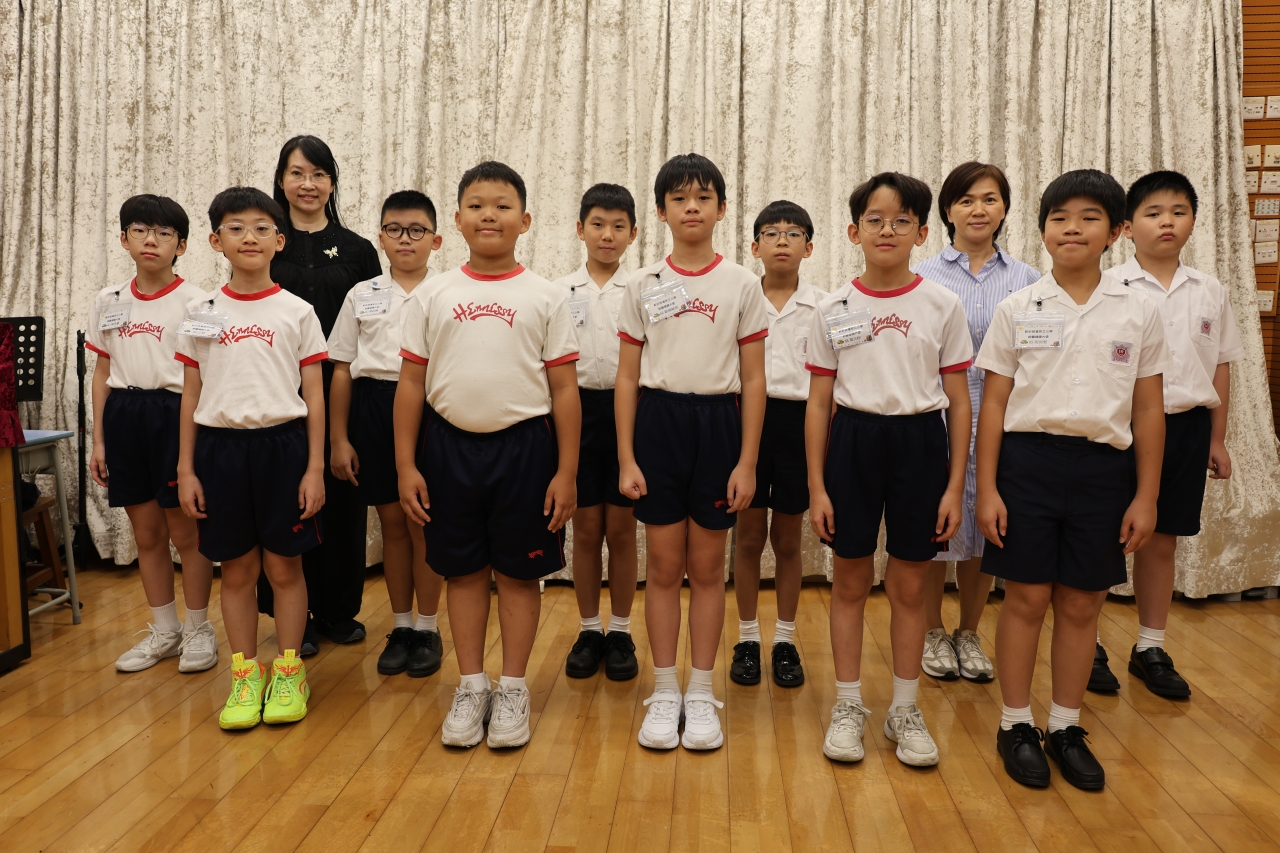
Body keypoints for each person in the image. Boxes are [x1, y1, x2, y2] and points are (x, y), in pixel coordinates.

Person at [976, 169, 1167, 790]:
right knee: (1026, 598)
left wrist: (1146, 496)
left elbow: (1148, 409)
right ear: (1042, 231)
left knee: (1083, 602)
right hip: (1027, 465)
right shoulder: (1017, 307)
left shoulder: (1139, 311)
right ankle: (1014, 723)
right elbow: (994, 404)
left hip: (1104, 470)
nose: (1072, 229)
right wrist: (987, 488)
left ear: (1114, 232)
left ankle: (1064, 724)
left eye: (1088, 218)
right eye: (1059, 218)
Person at [395, 161, 580, 749]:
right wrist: (406, 464)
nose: (489, 215)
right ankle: (472, 684)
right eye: (476, 205)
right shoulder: (434, 293)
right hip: (448, 447)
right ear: (456, 220)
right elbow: (410, 383)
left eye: (502, 206)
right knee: (463, 571)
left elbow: (565, 390)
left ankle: (514, 687)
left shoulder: (546, 295)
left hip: (525, 450)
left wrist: (567, 471)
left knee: (520, 575)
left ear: (525, 220)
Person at [806, 172, 973, 767]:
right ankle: (848, 704)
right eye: (874, 220)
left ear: (922, 233)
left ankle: (905, 708)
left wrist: (954, 485)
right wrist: (817, 485)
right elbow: (818, 403)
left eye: (902, 220)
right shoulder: (833, 307)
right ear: (854, 231)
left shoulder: (942, 304)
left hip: (919, 444)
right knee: (849, 582)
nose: (887, 230)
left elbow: (959, 402)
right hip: (852, 442)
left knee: (908, 586)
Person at [616, 152, 769, 752]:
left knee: (707, 568)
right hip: (658, 423)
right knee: (661, 566)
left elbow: (753, 379)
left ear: (722, 209)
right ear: (661, 211)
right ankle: (664, 690)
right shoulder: (642, 284)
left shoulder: (742, 284)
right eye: (679, 198)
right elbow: (627, 377)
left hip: (718, 425)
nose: (691, 207)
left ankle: (701, 691)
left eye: (703, 197)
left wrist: (747, 461)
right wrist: (627, 457)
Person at [176, 186, 328, 730]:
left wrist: (315, 467)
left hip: (283, 448)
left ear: (279, 240)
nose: (250, 237)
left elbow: (315, 395)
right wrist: (186, 467)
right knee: (237, 568)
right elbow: (190, 394)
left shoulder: (298, 311)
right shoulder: (201, 313)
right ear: (215, 240)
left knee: (284, 566)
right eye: (236, 228)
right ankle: (245, 675)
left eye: (262, 228)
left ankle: (288, 670)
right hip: (219, 451)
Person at [1087, 171, 1242, 699]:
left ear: (1193, 221)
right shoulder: (1110, 286)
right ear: (1128, 227)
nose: (1167, 222)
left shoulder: (1209, 289)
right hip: (1120, 427)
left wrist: (1217, 439)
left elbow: (1220, 366)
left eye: (1178, 212)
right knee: (1102, 538)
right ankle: (1090, 645)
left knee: (1161, 539)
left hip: (1187, 427)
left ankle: (1150, 646)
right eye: (1153, 213)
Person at [913, 162, 1040, 683]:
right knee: (932, 526)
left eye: (989, 199)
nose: (978, 210)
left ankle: (968, 631)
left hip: (1001, 424)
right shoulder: (922, 275)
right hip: (937, 419)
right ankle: (931, 630)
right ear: (948, 211)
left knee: (985, 528)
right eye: (966, 200)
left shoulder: (1028, 279)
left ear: (1005, 208)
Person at [86, 194, 217, 674]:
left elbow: (205, 375)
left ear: (181, 245)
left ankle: (199, 628)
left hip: (176, 414)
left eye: (164, 233)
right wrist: (100, 439)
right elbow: (102, 373)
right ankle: (165, 630)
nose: (151, 240)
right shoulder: (108, 300)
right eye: (140, 230)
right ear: (124, 239)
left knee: (186, 531)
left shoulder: (199, 302)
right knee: (146, 533)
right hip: (125, 415)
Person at [267, 135, 382, 652]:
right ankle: (296, 618)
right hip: (279, 391)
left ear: (332, 182)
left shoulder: (358, 250)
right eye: (297, 173)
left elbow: (377, 324)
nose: (307, 184)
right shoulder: (266, 241)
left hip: (343, 390)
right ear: (281, 181)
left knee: (340, 501)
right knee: (286, 500)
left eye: (318, 174)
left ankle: (338, 610)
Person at [328, 190, 446, 679]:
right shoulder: (362, 293)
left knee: (425, 524)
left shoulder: (448, 292)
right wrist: (339, 437)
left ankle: (428, 627)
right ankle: (401, 626)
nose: (405, 239)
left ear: (436, 240)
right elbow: (341, 368)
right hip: (373, 407)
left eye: (417, 230)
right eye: (395, 230)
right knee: (393, 524)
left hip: (431, 408)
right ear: (380, 237)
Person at [730, 200, 818, 689]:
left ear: (809, 246)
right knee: (747, 539)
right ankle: (747, 638)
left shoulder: (826, 305)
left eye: (793, 233)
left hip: (800, 425)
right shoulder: (741, 299)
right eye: (771, 232)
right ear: (754, 245)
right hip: (747, 423)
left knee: (787, 540)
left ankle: (784, 639)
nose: (782, 240)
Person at [555, 183, 641, 682]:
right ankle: (590, 630)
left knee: (623, 530)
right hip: (576, 411)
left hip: (632, 412)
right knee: (586, 529)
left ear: (633, 233)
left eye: (618, 226)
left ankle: (622, 631)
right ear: (580, 229)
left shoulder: (645, 289)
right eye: (597, 225)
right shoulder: (558, 291)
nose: (607, 235)